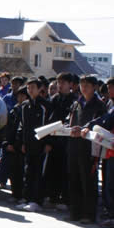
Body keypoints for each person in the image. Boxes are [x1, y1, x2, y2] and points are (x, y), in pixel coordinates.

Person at [67, 76, 106, 223]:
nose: (84, 88)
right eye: (82, 85)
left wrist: (84, 128)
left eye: (87, 85)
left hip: (90, 148)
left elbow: (101, 125)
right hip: (74, 145)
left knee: (88, 181)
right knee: (74, 178)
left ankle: (88, 214)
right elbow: (69, 120)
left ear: (94, 87)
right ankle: (75, 212)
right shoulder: (77, 103)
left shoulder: (99, 105)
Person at [16, 78, 52, 212]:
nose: (30, 90)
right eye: (28, 87)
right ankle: (27, 198)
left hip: (41, 145)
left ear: (39, 89)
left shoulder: (45, 105)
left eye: (33, 87)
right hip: (29, 144)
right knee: (28, 171)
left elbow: (50, 125)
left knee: (39, 172)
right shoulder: (25, 105)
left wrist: (48, 142)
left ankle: (37, 200)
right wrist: (23, 142)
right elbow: (23, 126)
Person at [45, 72, 77, 211]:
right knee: (52, 169)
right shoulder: (54, 99)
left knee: (66, 171)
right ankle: (52, 197)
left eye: (63, 82)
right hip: (53, 139)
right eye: (59, 83)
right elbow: (48, 120)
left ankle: (65, 199)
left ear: (71, 84)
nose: (60, 85)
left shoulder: (75, 101)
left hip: (68, 141)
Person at [4, 86, 29, 203]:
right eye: (18, 95)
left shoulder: (27, 109)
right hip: (12, 144)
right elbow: (9, 128)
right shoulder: (14, 109)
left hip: (21, 145)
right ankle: (15, 193)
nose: (20, 98)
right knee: (13, 171)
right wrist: (8, 143)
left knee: (22, 172)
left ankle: (22, 195)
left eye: (23, 95)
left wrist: (19, 144)